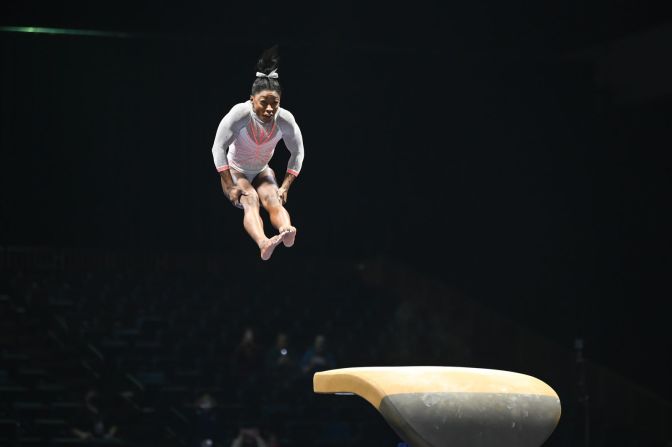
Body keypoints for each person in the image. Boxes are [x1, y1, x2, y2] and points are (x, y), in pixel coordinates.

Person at [212, 45, 305, 261]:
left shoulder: (285, 120)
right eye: (264, 102)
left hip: (262, 168)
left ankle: (286, 229)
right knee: (251, 198)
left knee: (273, 197)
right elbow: (218, 147)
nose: (270, 108)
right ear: (252, 99)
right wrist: (228, 183)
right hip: (236, 170)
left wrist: (285, 186)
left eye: (275, 103)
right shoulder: (240, 114)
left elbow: (298, 152)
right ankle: (263, 242)